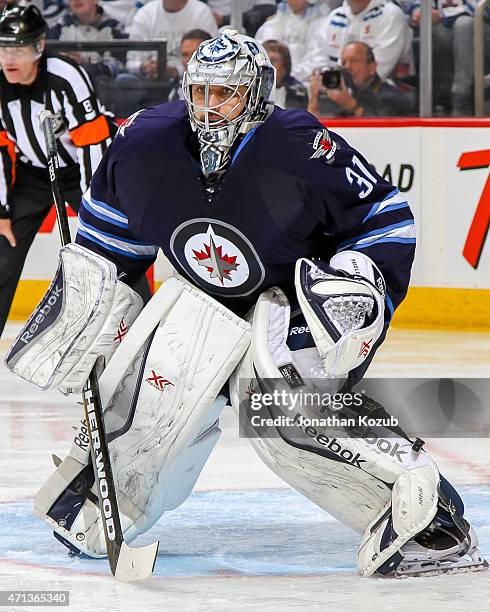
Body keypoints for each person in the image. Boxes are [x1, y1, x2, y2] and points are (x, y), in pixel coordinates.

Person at [7, 30, 487, 578]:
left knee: (283, 414)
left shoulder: (301, 148)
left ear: (257, 94)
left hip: (296, 309)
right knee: (151, 393)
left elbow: (384, 220)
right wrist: (90, 316)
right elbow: (106, 246)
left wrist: (359, 285)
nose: (210, 109)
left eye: (226, 94)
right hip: (204, 303)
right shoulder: (144, 144)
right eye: (201, 92)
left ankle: (432, 523)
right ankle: (102, 499)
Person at [0, 4, 116, 338]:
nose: (10, 58)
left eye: (19, 49)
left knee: (111, 245)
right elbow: (2, 148)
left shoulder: (66, 77)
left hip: (80, 170)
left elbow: (93, 144)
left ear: (38, 47)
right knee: (3, 252)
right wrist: (3, 210)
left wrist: (97, 208)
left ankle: (137, 331)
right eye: (5, 47)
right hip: (30, 174)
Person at [295, 0, 414, 86]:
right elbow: (315, 60)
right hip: (333, 90)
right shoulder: (334, 17)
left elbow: (378, 70)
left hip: (381, 96)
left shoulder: (391, 14)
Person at [308, 41, 414, 117]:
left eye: (354, 61)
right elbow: (314, 129)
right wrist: (314, 98)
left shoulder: (392, 97)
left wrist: (351, 106)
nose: (347, 67)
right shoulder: (340, 95)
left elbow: (384, 131)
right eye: (344, 62)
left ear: (372, 67)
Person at [127, 0, 217, 80]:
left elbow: (213, 61)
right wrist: (144, 67)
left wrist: (176, 71)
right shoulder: (144, 14)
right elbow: (131, 63)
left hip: (190, 79)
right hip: (148, 83)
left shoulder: (202, 12)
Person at [47, 0, 128, 80]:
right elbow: (46, 61)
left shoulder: (116, 28)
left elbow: (118, 66)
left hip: (103, 87)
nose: (76, 1)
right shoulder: (57, 28)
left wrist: (83, 65)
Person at [255, 0, 330, 81]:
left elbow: (318, 60)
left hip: (305, 84)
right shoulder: (270, 26)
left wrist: (289, 76)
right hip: (271, 81)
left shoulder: (322, 25)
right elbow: (258, 55)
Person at [168, 28, 212, 101]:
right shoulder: (174, 86)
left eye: (195, 55)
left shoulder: (220, 90)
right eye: (185, 55)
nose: (189, 61)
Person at [263, 39, 308, 109]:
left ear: (285, 66)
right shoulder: (252, 87)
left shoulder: (297, 90)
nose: (268, 65)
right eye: (265, 60)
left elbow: (295, 118)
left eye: (273, 61)